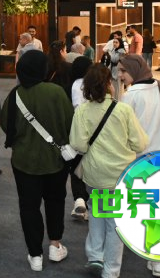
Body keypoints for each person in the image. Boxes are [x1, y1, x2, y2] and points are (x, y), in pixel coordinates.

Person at [70, 64, 148, 278]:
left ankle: (95, 256)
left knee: (96, 212)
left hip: (95, 174)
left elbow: (78, 144)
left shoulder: (82, 111)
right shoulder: (123, 110)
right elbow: (140, 143)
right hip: (121, 175)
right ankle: (111, 270)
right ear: (108, 84)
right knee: (115, 221)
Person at [0, 50, 72, 272]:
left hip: (24, 161)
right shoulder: (56, 92)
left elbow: (5, 124)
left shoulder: (15, 95)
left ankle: (35, 255)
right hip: (55, 160)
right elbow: (70, 123)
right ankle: (55, 245)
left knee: (29, 206)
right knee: (55, 201)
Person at [119, 54, 160, 157]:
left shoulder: (130, 96)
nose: (119, 75)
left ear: (134, 68)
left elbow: (124, 131)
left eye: (123, 71)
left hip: (144, 157)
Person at [68, 56, 92, 222]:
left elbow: (77, 108)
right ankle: (89, 203)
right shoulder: (95, 84)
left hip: (78, 132)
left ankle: (79, 199)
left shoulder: (74, 85)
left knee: (76, 166)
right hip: (97, 132)